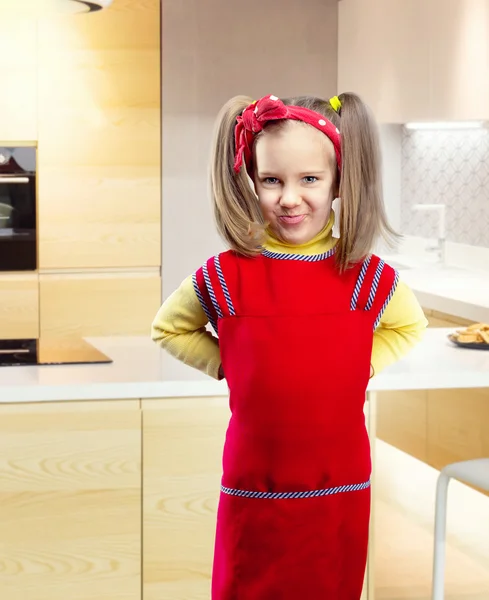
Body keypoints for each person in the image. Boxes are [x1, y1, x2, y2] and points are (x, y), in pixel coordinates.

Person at [152, 92, 428, 599]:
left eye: (310, 180)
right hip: (255, 485)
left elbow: (410, 326)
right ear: (249, 180)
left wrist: (356, 367)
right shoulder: (224, 275)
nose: (289, 197)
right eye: (271, 181)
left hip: (338, 487)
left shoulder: (366, 276)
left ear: (338, 181)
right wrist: (230, 365)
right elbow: (168, 328)